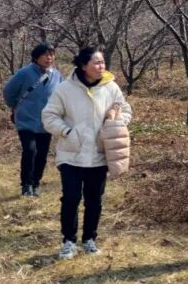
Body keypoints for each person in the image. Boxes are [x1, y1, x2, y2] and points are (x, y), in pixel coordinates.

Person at [41, 47, 133, 260]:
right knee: (71, 198)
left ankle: (90, 239)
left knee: (94, 200)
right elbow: (49, 115)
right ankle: (68, 241)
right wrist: (67, 132)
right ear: (83, 65)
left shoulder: (111, 87)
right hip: (71, 154)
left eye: (103, 62)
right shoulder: (65, 88)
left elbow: (126, 110)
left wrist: (115, 122)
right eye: (97, 62)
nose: (102, 66)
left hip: (98, 154)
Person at [2, 43, 63, 197]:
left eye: (51, 54)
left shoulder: (57, 75)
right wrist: (15, 107)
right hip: (26, 120)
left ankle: (35, 183)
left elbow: (63, 95)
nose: (49, 58)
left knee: (42, 154)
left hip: (46, 122)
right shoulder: (24, 73)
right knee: (30, 150)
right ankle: (26, 185)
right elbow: (8, 92)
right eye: (45, 55)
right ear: (36, 57)